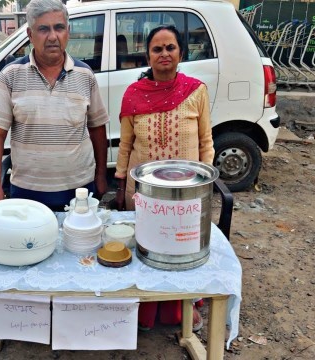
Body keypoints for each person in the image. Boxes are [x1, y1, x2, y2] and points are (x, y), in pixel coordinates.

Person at [114, 25, 215, 331]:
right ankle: (145, 313)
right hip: (144, 193)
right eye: (157, 49)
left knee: (181, 250)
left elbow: (206, 142)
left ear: (181, 53)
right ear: (148, 56)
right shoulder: (134, 94)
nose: (164, 54)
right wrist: (120, 184)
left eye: (170, 47)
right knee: (146, 250)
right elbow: (126, 145)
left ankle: (180, 311)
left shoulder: (196, 91)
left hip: (186, 196)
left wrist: (204, 189)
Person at [0, 0, 109, 211]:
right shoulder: (10, 75)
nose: (52, 37)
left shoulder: (85, 75)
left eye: (59, 28)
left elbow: (97, 128)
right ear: (30, 35)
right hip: (26, 191)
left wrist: (101, 175)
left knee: (78, 242)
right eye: (43, 29)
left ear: (68, 32)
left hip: (79, 190)